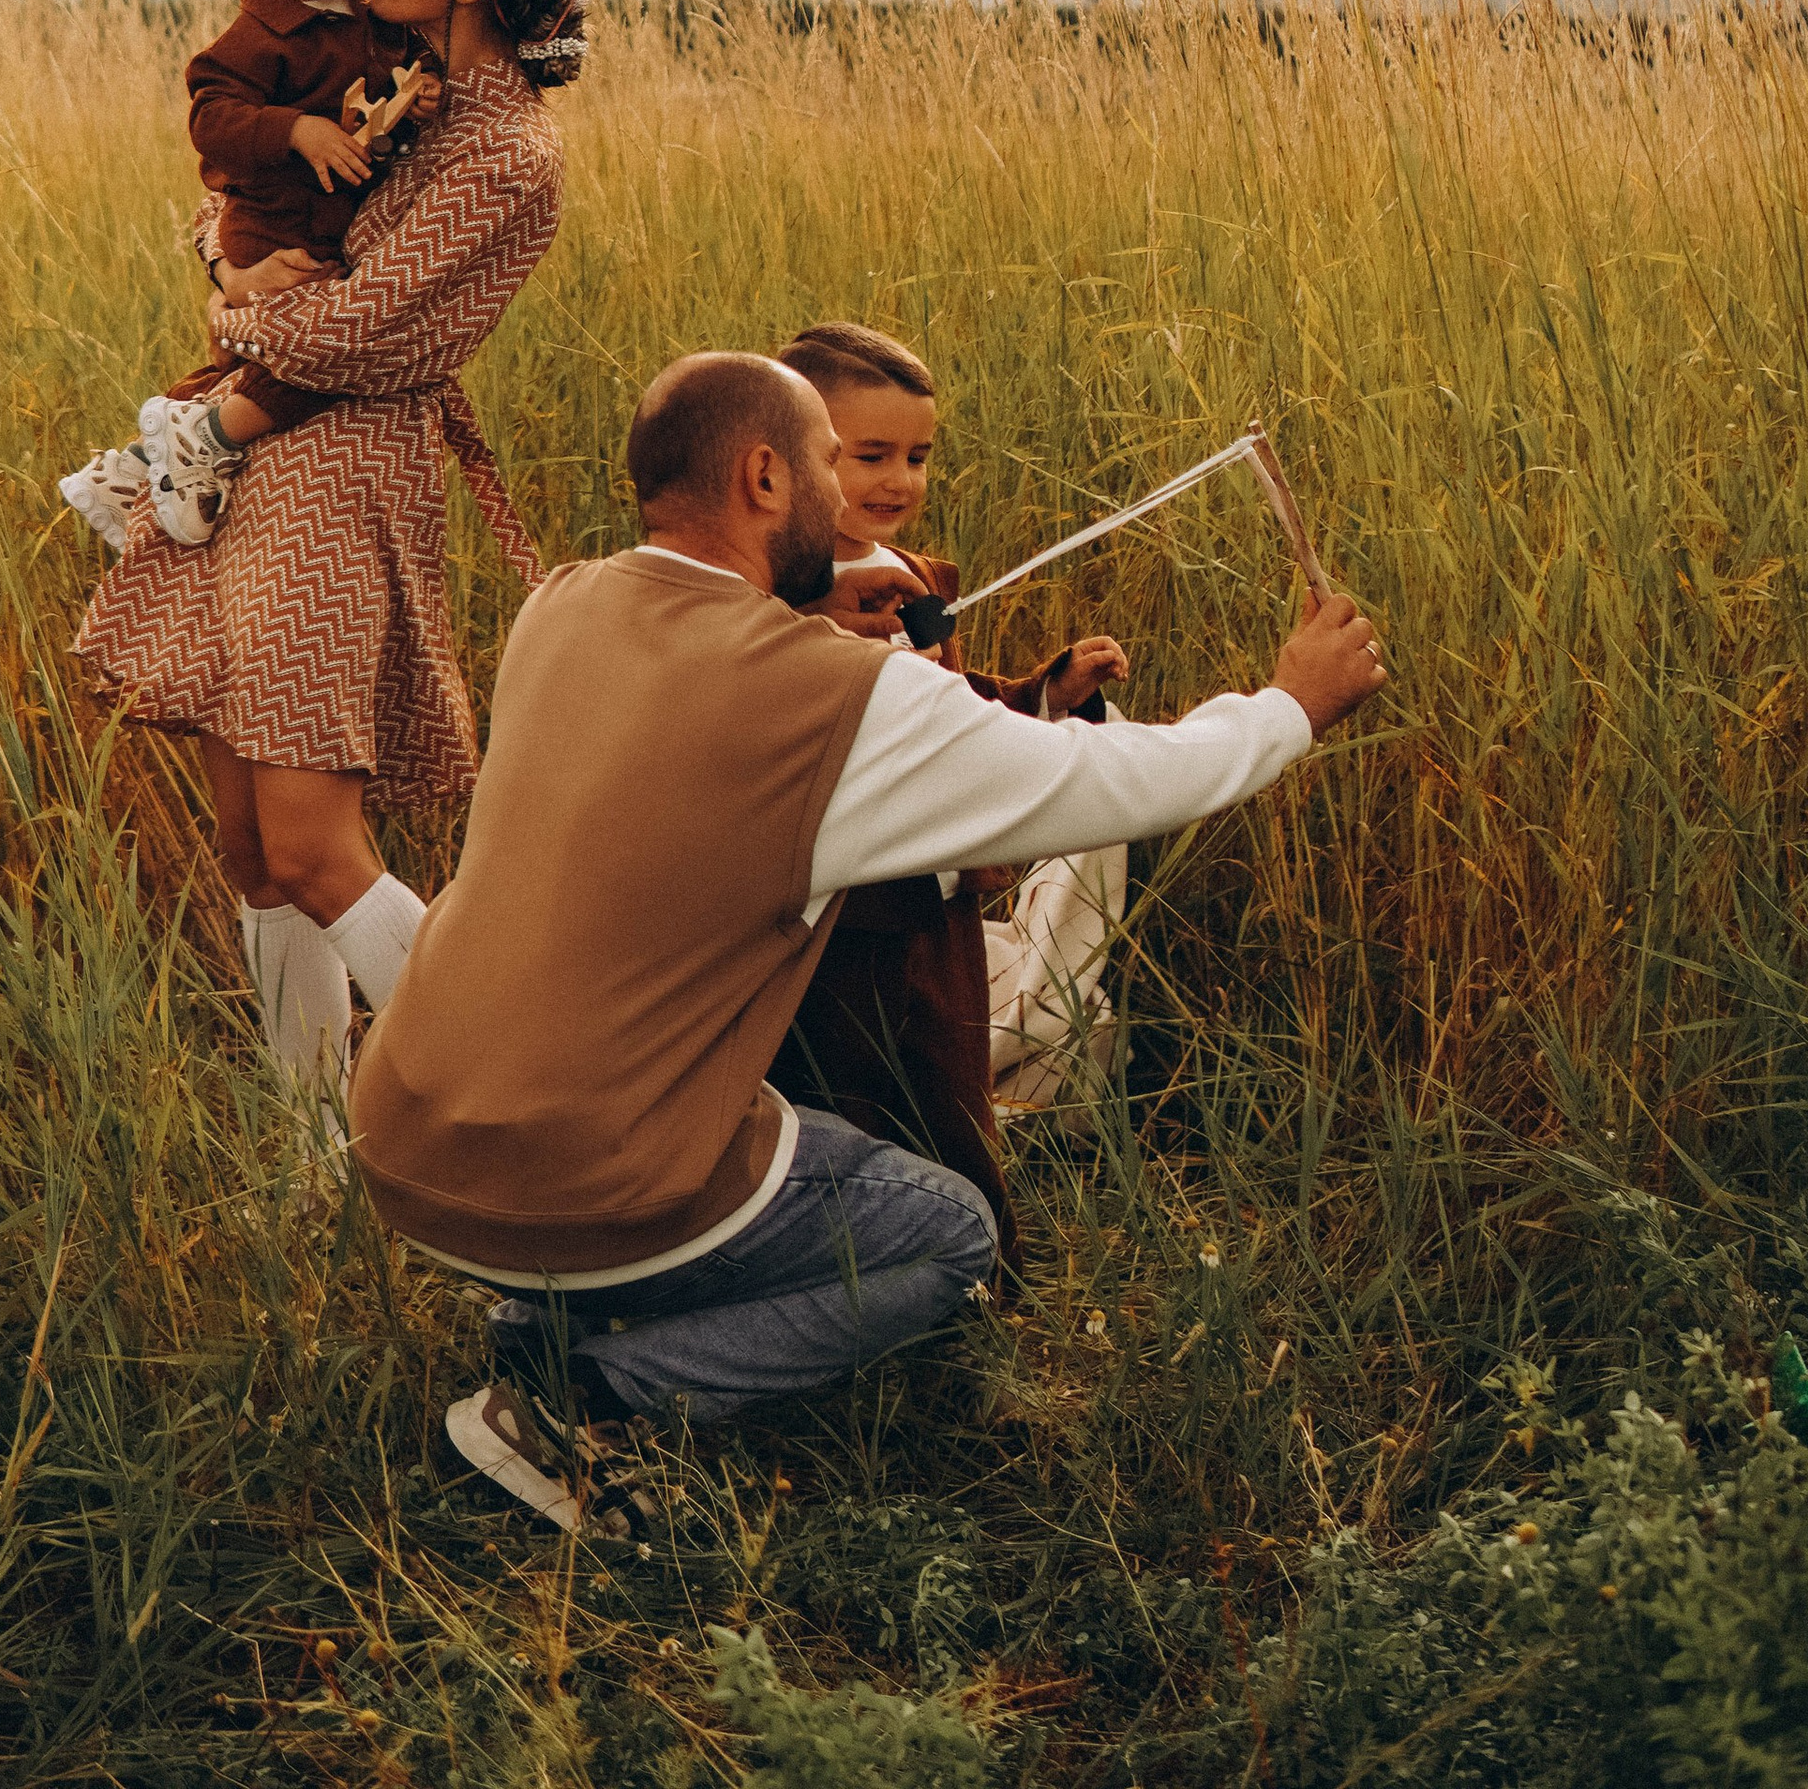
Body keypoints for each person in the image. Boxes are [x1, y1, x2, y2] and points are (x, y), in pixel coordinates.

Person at [348, 350, 1387, 1536]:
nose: (848, 496)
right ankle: (585, 1399)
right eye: (832, 463)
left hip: (401, 1139)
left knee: (768, 1122)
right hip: (582, 1180)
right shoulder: (838, 700)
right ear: (763, 476)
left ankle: (538, 1316)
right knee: (947, 1233)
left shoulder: (563, 607)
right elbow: (1116, 779)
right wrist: (1289, 706)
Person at [70, 0, 589, 1095]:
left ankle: (534, 1099)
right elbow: (228, 197)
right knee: (255, 852)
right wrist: (231, 266)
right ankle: (310, 1155)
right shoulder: (386, 72)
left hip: (341, 486)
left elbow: (356, 331)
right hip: (250, 467)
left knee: (312, 849)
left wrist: (233, 315)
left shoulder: (506, 154)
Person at [766, 322, 1130, 1255]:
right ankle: (859, 1264)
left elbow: (956, 713)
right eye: (869, 456)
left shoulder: (915, 581)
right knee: (846, 1095)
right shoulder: (770, 594)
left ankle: (979, 1270)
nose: (900, 480)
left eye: (919, 457)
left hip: (940, 905)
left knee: (951, 1084)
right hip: (841, 911)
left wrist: (1044, 695)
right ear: (789, 459)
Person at [58, 0, 423, 552]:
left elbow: (388, 90)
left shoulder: (375, 19)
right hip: (273, 224)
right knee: (315, 356)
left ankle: (127, 472)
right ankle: (202, 447)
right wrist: (295, 129)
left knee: (252, 365)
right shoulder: (257, 35)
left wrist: (418, 96)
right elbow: (213, 117)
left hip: (325, 223)